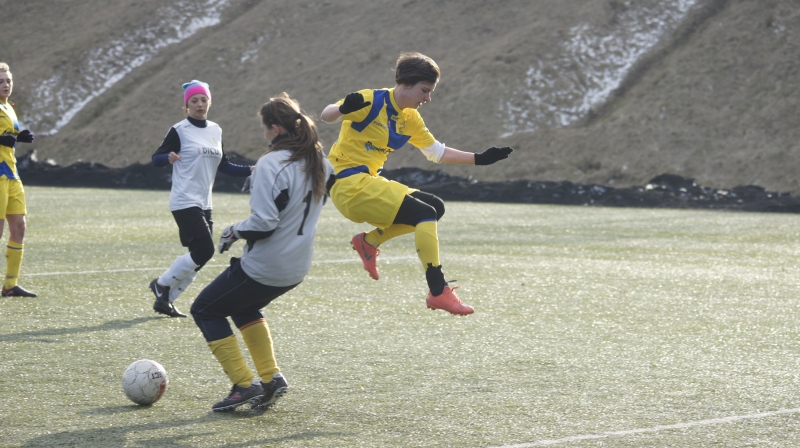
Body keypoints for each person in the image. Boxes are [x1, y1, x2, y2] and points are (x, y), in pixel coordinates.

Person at [319, 51, 513, 316]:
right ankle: (438, 291)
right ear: (406, 84)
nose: (428, 98)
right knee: (424, 213)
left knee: (435, 207)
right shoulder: (370, 99)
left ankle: (369, 241)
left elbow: (437, 152)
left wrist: (480, 159)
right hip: (347, 184)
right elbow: (325, 116)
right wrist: (342, 108)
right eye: (425, 90)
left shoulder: (409, 117)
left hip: (366, 183)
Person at [190, 92, 335, 412]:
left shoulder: (271, 164)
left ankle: (244, 385)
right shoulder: (322, 162)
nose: (264, 134)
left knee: (205, 310)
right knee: (244, 308)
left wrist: (232, 231)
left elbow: (265, 224)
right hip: (296, 267)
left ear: (275, 129)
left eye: (265, 128)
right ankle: (271, 379)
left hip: (268, 265)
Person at [149, 80, 252, 317]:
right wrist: (168, 157)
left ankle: (166, 300)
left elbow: (224, 165)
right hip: (184, 200)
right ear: (186, 105)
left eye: (203, 99)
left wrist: (250, 170)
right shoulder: (179, 130)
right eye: (194, 100)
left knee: (201, 255)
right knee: (204, 251)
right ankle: (162, 285)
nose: (199, 104)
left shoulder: (216, 130)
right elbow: (156, 158)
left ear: (210, 102)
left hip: (205, 203)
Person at [0, 62, 36, 298]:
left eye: (8, 81)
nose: (5, 85)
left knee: (19, 227)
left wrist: (18, 136)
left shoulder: (8, 107)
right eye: (1, 82)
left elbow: (7, 136)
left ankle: (10, 285)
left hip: (12, 174)